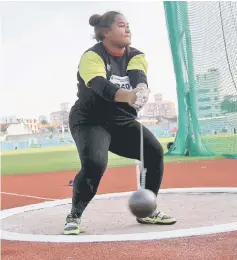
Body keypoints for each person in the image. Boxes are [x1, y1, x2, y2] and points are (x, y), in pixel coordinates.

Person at [63, 11, 176, 235]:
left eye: (128, 25)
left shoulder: (136, 55)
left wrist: (141, 90)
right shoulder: (92, 57)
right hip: (90, 121)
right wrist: (129, 96)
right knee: (95, 163)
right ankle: (74, 214)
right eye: (121, 25)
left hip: (121, 121)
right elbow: (100, 86)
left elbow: (138, 76)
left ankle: (147, 210)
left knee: (153, 152)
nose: (128, 29)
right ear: (105, 32)